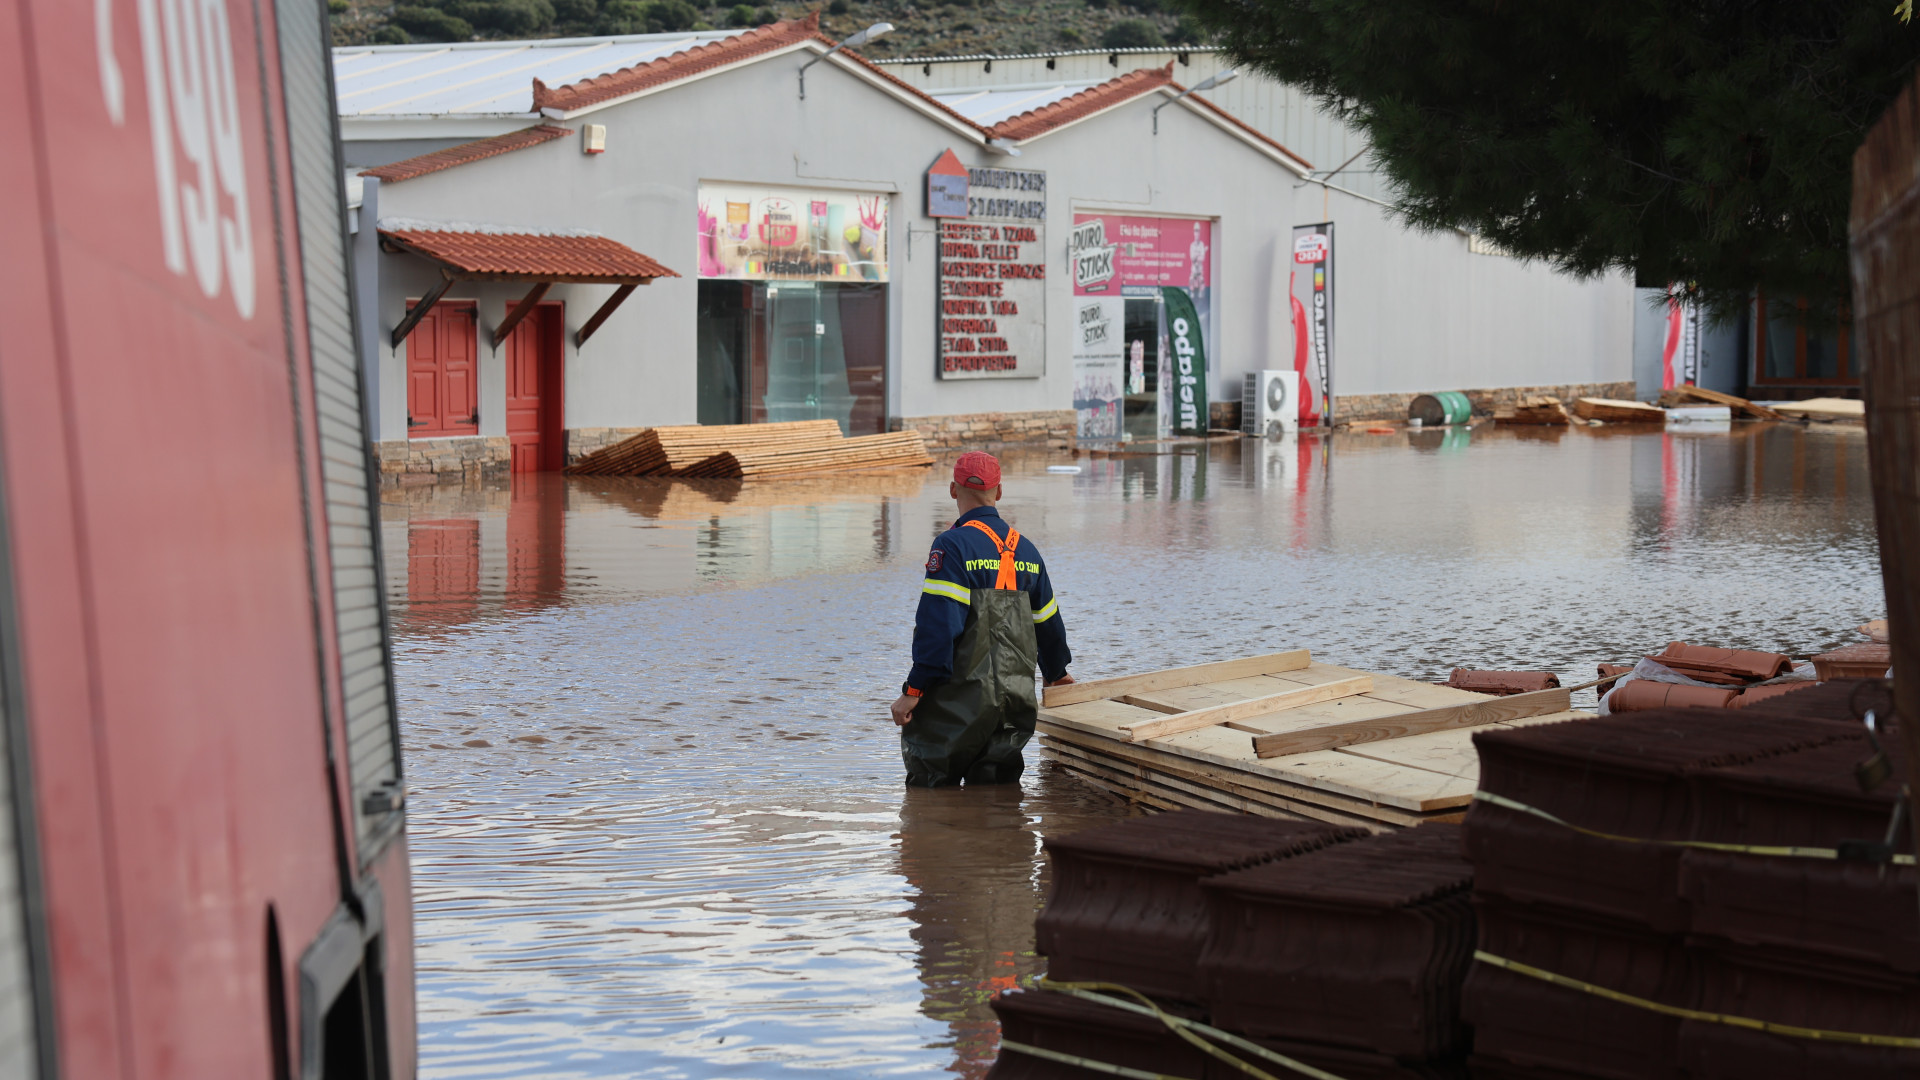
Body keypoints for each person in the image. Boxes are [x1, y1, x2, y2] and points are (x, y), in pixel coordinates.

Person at [890, 451, 1072, 786]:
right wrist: (1057, 673)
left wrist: (913, 689)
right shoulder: (1028, 552)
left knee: (932, 802)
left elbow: (938, 626)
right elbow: (1047, 622)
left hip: (957, 705)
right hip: (1014, 704)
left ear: (952, 490)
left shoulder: (952, 546)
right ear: (999, 492)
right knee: (998, 797)